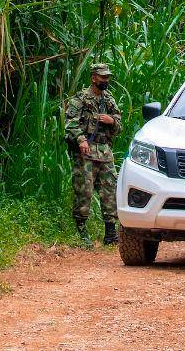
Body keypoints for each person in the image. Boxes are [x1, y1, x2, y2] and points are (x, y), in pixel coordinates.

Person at [65, 63, 123, 245]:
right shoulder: (80, 99)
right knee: (84, 191)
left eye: (107, 77)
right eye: (102, 77)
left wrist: (112, 120)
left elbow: (119, 127)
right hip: (86, 153)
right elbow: (70, 123)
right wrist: (81, 139)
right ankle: (82, 231)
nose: (106, 80)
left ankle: (110, 233)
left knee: (110, 191)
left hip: (105, 152)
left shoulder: (109, 100)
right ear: (93, 78)